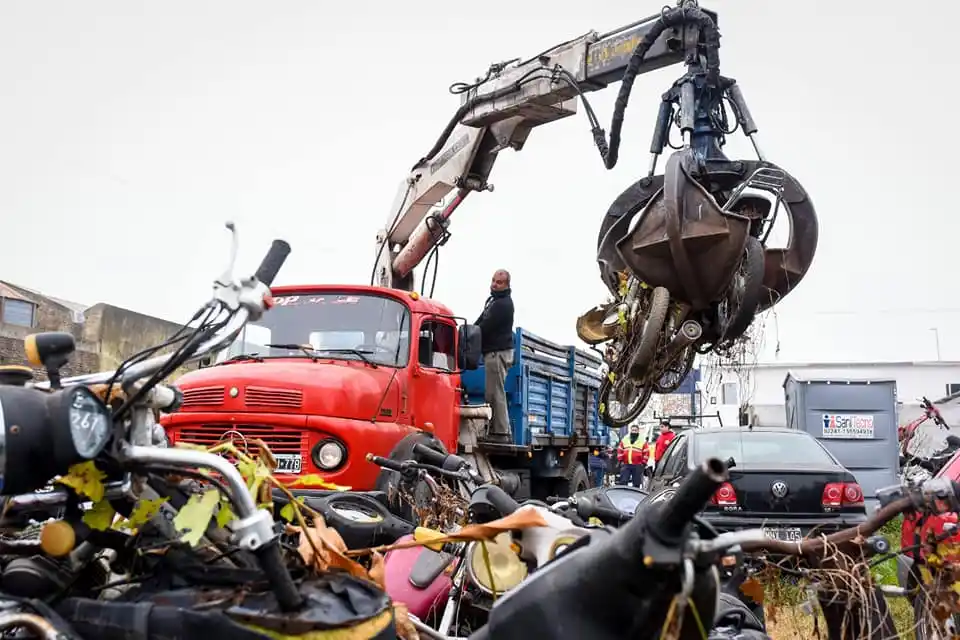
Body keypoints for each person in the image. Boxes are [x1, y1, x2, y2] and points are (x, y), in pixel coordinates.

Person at [475, 269, 515, 442]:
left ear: (506, 285)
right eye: (493, 280)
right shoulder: (495, 301)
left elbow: (485, 325)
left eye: (499, 282)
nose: (494, 284)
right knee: (492, 393)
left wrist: (473, 332)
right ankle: (496, 431)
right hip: (494, 352)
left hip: (497, 352)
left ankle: (501, 433)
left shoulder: (503, 304)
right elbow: (481, 321)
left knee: (495, 393)